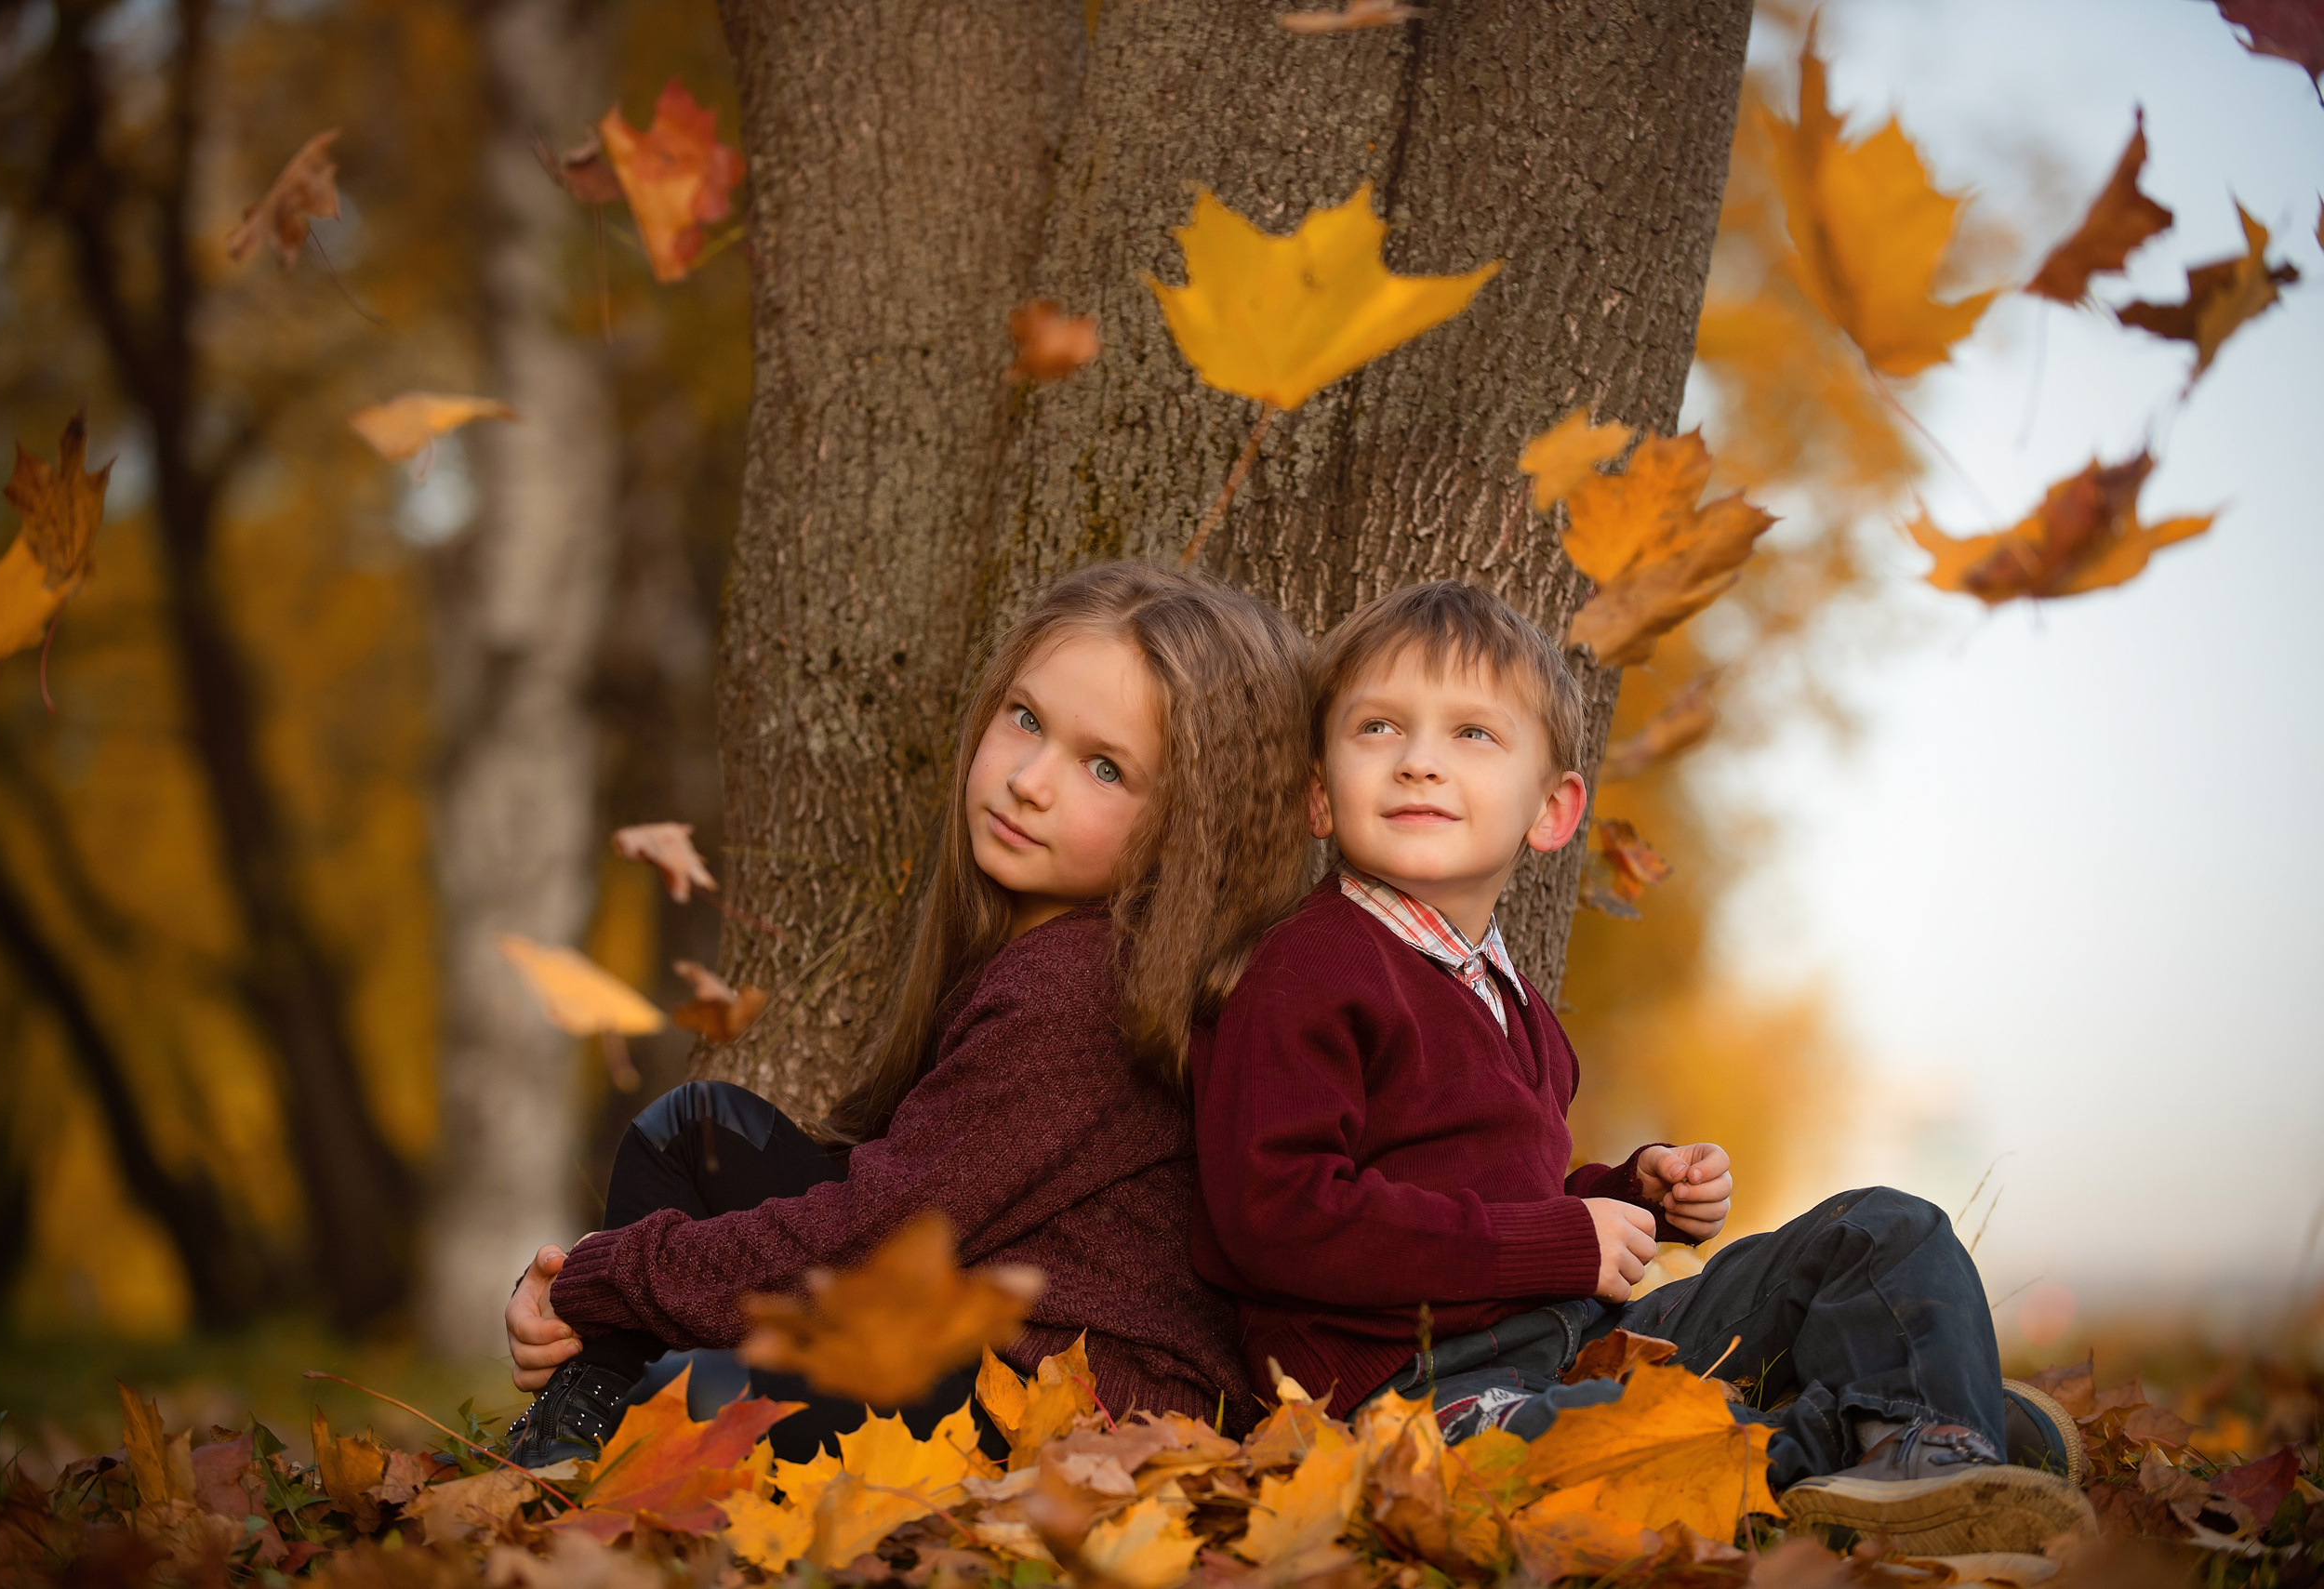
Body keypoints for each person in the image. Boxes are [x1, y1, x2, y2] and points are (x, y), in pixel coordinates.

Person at [1188, 580, 2093, 1556]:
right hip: (1412, 1395)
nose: (1418, 761)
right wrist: (1560, 1241)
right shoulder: (1306, 968)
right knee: (1594, 1461)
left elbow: (1509, 1196)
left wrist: (1630, 1194)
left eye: (1471, 735)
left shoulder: (1511, 998)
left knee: (1882, 1228)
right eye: (1377, 727)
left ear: (1551, 810)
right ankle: (1868, 1439)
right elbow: (1274, 1216)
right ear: (1320, 792)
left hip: (1570, 1341)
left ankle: (1930, 1446)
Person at [501, 562, 1314, 1464]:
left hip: (1061, 1423)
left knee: (684, 1396)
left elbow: (868, 1242)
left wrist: (603, 1277)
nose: (1030, 780)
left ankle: (594, 1425)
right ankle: (580, 1419)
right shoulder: (1047, 953)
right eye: (1025, 719)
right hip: (960, 1352)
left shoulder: (1080, 992)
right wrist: (610, 1289)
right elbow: (899, 1204)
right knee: (696, 1132)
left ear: (1190, 829)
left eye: (1103, 767)